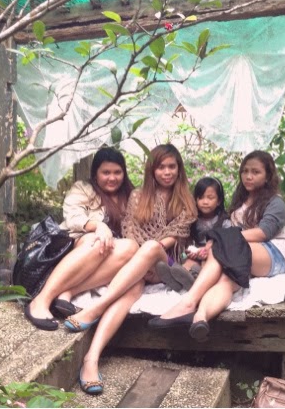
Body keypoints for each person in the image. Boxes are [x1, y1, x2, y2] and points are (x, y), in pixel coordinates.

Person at [65, 143, 196, 395]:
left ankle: (96, 308)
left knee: (152, 247)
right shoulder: (138, 196)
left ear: (179, 169)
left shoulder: (186, 200)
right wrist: (141, 261)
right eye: (161, 167)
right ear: (152, 169)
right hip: (139, 263)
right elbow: (130, 231)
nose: (167, 172)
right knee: (131, 289)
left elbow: (173, 237)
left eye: (172, 167)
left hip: (166, 263)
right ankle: (92, 358)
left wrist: (147, 257)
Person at [148, 150, 285, 341]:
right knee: (226, 279)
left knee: (221, 247)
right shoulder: (241, 200)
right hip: (241, 253)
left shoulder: (275, 202)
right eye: (245, 171)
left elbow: (262, 233)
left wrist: (221, 238)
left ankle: (188, 303)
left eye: (255, 172)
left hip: (273, 253)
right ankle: (200, 317)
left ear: (267, 176)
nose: (248, 176)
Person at [24, 147, 138, 331]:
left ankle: (68, 292)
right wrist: (99, 226)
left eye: (117, 172)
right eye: (106, 172)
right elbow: (72, 217)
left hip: (111, 258)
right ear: (95, 173)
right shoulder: (83, 188)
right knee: (96, 240)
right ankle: (41, 300)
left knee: (132, 247)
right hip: (80, 247)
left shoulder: (131, 196)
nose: (112, 177)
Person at [156, 176, 232, 291]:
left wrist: (207, 251)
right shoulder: (192, 219)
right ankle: (177, 279)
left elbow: (227, 243)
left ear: (219, 201)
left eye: (210, 198)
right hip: (194, 254)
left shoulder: (224, 221)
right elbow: (186, 242)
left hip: (214, 256)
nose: (205, 202)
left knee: (204, 264)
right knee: (185, 260)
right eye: (201, 197)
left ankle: (194, 279)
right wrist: (189, 252)